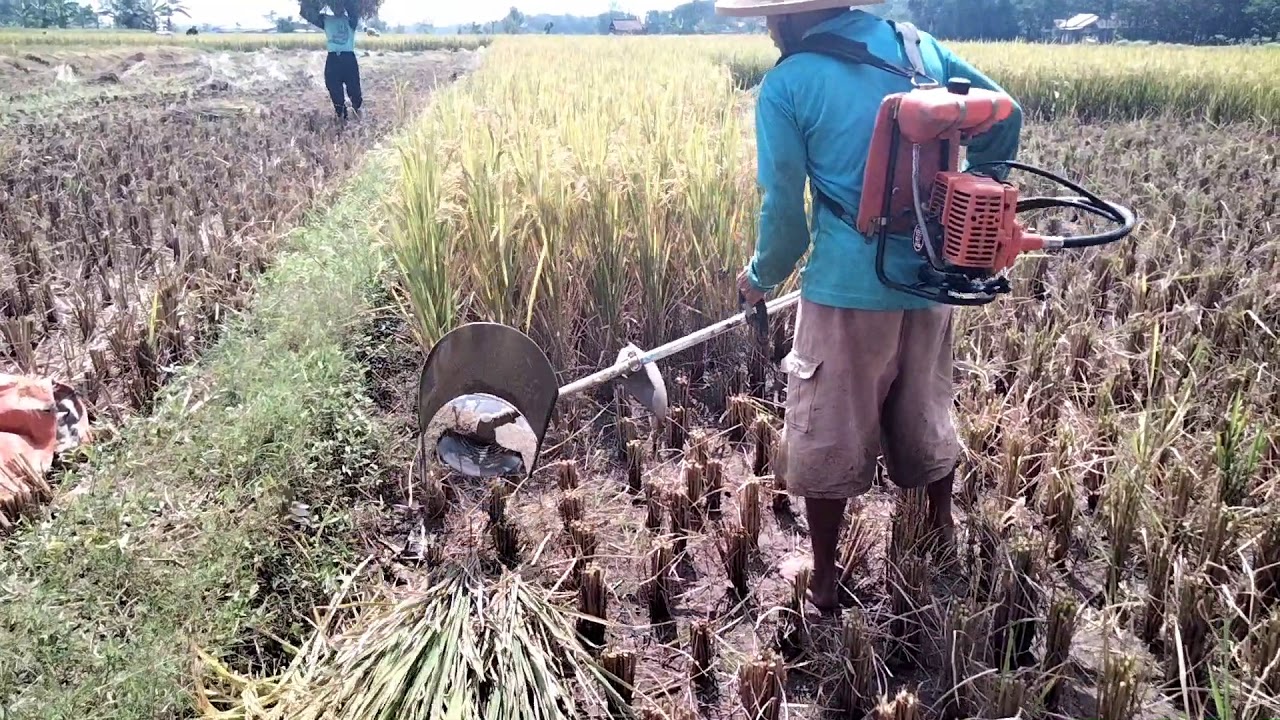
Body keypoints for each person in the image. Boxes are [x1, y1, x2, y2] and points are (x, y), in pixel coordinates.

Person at [715, 0, 1023, 612]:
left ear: (790, 18)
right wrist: (979, 197)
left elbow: (786, 226)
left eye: (769, 19)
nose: (769, 29)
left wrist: (757, 280)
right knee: (926, 406)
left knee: (826, 426)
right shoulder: (919, 49)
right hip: (935, 277)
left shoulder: (788, 83)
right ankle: (940, 531)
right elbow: (1005, 113)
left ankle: (825, 576)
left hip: (847, 292)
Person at [301, 0, 363, 121]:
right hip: (333, 59)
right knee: (333, 86)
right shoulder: (325, 20)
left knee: (354, 90)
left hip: (348, 59)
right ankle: (341, 115)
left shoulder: (351, 20)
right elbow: (305, 12)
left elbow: (354, 6)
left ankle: (357, 112)